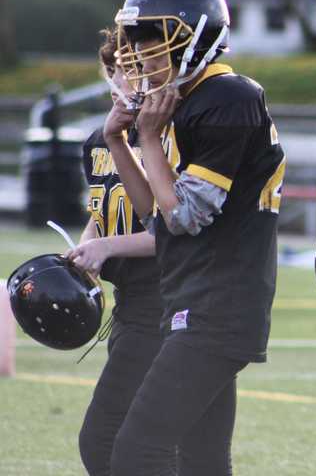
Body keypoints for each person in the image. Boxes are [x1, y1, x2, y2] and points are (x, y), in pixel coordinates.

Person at [101, 0, 285, 475]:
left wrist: (148, 135)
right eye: (135, 38)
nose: (138, 52)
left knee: (136, 450)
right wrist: (121, 142)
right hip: (193, 293)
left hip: (219, 303)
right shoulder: (185, 100)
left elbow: (185, 215)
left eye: (151, 37)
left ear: (195, 36)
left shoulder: (228, 96)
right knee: (202, 461)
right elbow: (156, 216)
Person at [68, 29, 171, 476]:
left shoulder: (168, 136)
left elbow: (175, 230)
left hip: (165, 300)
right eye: (111, 70)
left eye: (129, 69)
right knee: (154, 447)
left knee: (104, 440)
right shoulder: (99, 140)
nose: (118, 80)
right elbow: (103, 213)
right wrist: (83, 248)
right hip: (128, 304)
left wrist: (107, 246)